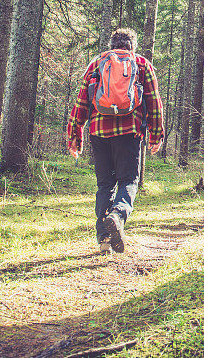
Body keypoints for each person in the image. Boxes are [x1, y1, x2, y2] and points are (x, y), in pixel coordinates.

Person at [66, 28, 164, 254]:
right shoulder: (141, 64)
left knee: (104, 185)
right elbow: (154, 102)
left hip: (99, 132)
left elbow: (81, 101)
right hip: (129, 132)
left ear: (112, 45)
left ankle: (104, 240)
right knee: (129, 180)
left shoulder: (96, 64)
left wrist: (74, 136)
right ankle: (118, 215)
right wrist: (156, 135)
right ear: (132, 45)